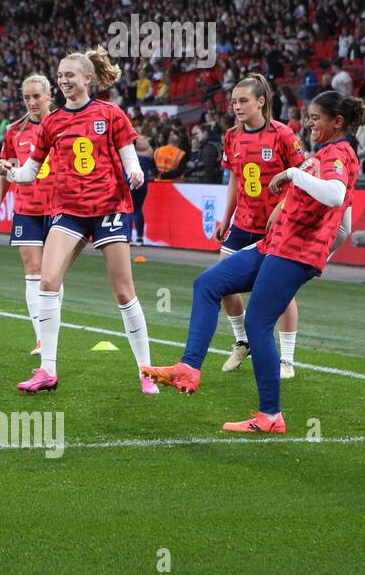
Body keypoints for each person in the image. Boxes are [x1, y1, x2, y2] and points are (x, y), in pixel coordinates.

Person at [143, 91, 361, 432]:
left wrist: (292, 174)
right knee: (208, 284)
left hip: (293, 252)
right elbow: (344, 222)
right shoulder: (325, 153)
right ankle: (189, 367)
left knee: (258, 322)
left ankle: (271, 415)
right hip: (274, 245)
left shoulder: (340, 153)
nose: (309, 123)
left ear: (337, 122)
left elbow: (334, 195)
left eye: (316, 118)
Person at [0, 46, 154, 395]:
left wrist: (134, 173)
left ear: (88, 78)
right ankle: (47, 370)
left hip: (109, 209)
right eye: (60, 75)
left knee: (123, 291)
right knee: (47, 280)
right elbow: (30, 173)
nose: (64, 80)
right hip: (68, 211)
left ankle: (146, 371)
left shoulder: (110, 113)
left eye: (70, 75)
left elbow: (129, 156)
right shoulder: (52, 123)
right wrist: (11, 173)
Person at [212, 74, 304, 378]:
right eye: (234, 102)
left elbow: (302, 178)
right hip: (243, 222)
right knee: (221, 282)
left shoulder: (284, 135)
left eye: (243, 101)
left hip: (278, 226)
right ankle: (243, 341)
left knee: (280, 291)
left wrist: (281, 207)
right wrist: (226, 218)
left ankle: (287, 359)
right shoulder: (231, 136)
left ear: (261, 102)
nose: (237, 107)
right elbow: (235, 179)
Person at [0, 73, 55, 356]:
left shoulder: (63, 124)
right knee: (33, 271)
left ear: (49, 96)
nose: (31, 102)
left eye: (36, 96)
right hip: (26, 209)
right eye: (27, 97)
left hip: (60, 209)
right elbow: (6, 170)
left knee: (52, 276)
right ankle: (42, 337)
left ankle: (50, 331)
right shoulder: (14, 131)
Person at [129, 135, 153, 245]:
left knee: (129, 210)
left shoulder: (129, 156)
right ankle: (139, 238)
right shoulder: (148, 154)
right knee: (138, 210)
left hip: (132, 183)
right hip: (143, 185)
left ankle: (128, 237)